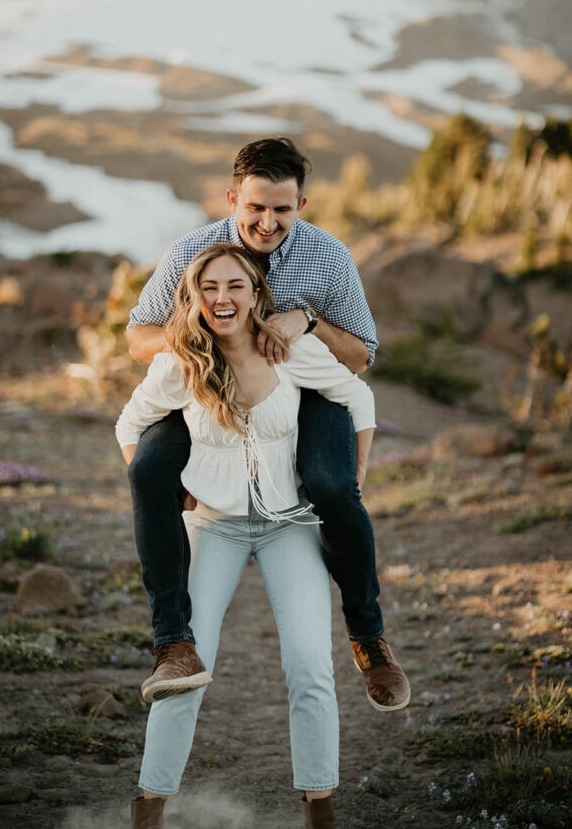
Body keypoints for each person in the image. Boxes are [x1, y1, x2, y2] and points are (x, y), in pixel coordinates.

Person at [126, 137, 409, 714]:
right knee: (150, 469)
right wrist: (206, 340)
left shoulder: (329, 257)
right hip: (206, 382)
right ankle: (173, 644)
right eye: (256, 207)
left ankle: (368, 635)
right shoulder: (191, 253)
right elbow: (137, 338)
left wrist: (307, 321)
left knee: (332, 485)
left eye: (282, 209)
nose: (268, 221)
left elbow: (360, 358)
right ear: (233, 198)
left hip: (306, 387)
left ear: (300, 204)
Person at [116, 243, 377, 829]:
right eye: (209, 289)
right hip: (214, 527)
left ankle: (319, 805)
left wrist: (350, 482)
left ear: (257, 293)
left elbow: (357, 395)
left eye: (235, 286)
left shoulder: (292, 350)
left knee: (309, 663)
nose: (222, 299)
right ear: (194, 298)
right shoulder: (182, 364)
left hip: (289, 527)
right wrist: (171, 488)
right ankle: (150, 806)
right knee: (186, 664)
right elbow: (129, 423)